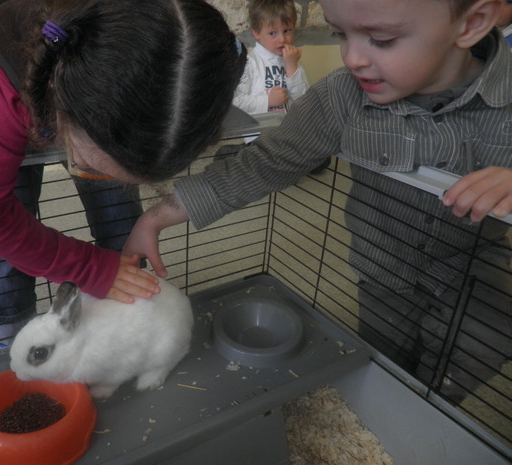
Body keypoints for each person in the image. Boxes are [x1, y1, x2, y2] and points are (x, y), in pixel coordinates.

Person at [124, 0, 512, 405]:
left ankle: (436, 408)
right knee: (386, 357)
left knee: (482, 343)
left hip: (472, 261)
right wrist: (155, 218)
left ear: (473, 23)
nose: (353, 58)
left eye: (380, 39)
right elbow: (265, 163)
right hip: (383, 269)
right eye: (341, 34)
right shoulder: (341, 95)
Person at [0, 0, 247, 347]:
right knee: (6, 234)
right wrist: (88, 268)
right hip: (18, 85)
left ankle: (129, 304)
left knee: (115, 207)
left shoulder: (174, 60)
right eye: (93, 162)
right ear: (65, 118)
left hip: (100, 109)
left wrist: (141, 229)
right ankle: (3, 334)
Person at [215, 0, 309, 160]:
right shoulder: (249, 62)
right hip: (259, 135)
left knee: (317, 156)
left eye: (287, 31)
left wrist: (293, 69)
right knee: (254, 159)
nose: (282, 40)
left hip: (288, 134)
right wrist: (268, 101)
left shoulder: (292, 60)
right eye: (273, 33)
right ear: (257, 33)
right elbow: (236, 101)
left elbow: (304, 102)